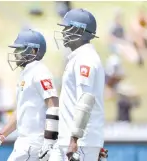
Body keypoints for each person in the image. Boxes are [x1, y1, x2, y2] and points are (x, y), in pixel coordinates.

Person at [0, 29, 59, 161]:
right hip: (25, 142)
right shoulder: (26, 73)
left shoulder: (40, 71)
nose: (16, 54)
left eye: (20, 49)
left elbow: (53, 105)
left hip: (34, 142)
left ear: (33, 51)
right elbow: (21, 112)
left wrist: (49, 142)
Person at [50, 8, 105, 161]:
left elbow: (85, 101)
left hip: (79, 142)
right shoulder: (78, 57)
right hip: (70, 140)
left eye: (68, 28)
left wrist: (74, 140)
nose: (63, 32)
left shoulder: (85, 59)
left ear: (80, 31)